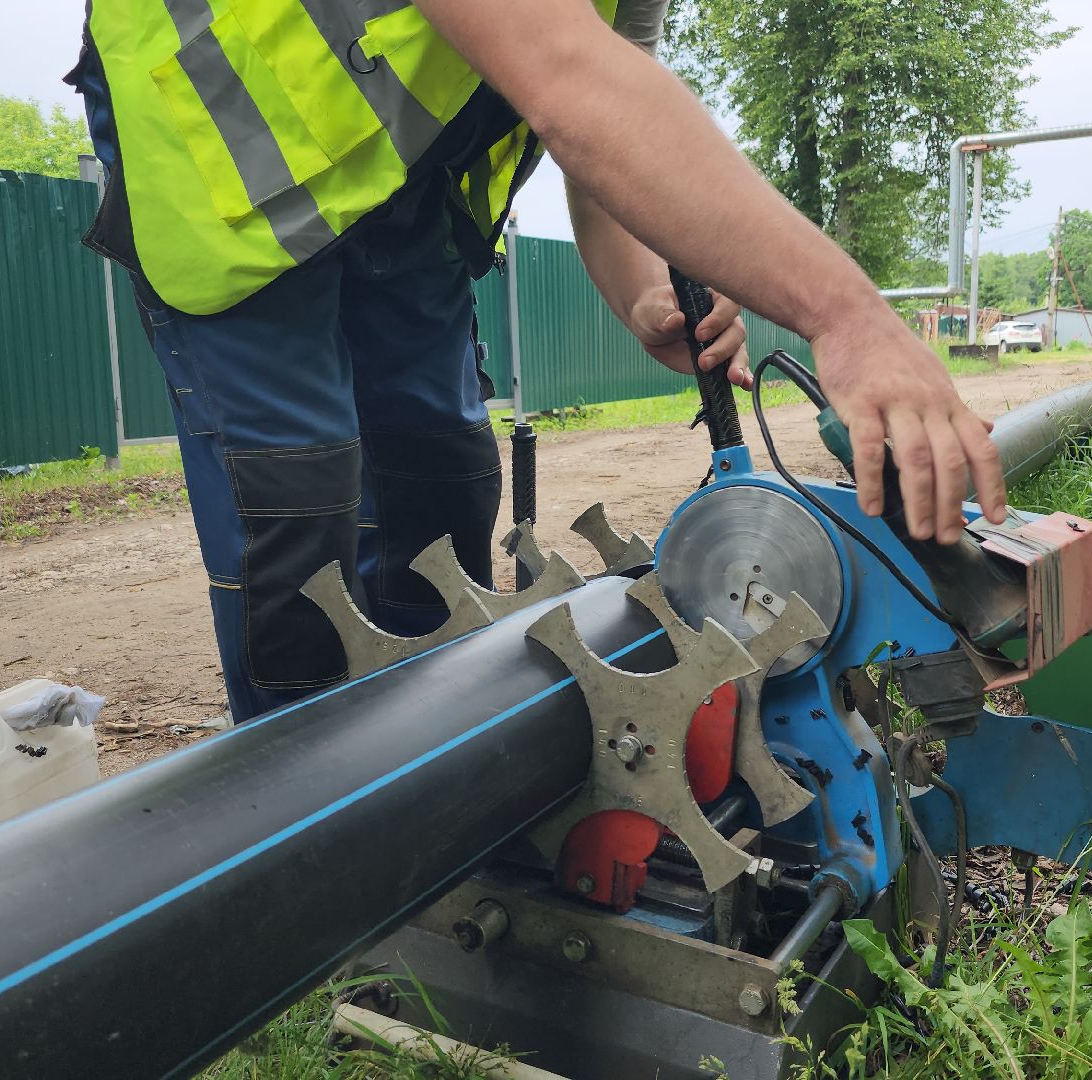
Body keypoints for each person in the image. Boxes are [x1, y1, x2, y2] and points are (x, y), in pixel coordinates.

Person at [68, 0, 1006, 722]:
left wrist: (642, 289)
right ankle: (301, 850)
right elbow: (568, 82)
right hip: (217, 136)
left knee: (441, 477)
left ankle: (437, 772)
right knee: (300, 506)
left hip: (390, 171)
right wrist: (847, 317)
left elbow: (606, 114)